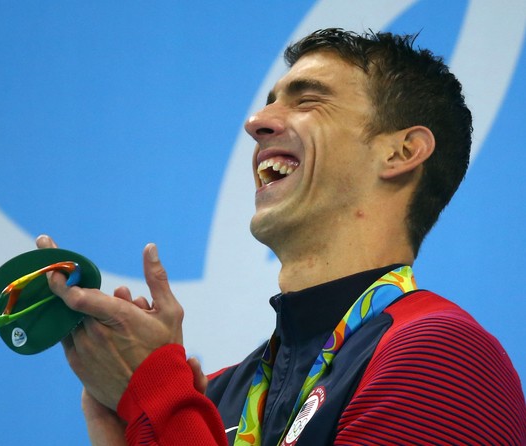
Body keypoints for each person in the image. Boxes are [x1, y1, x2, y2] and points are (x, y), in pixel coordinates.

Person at [37, 29, 526, 445]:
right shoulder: (216, 399)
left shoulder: (444, 358)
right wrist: (137, 419)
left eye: (308, 100)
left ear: (401, 152)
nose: (255, 123)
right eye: (270, 102)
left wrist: (157, 391)